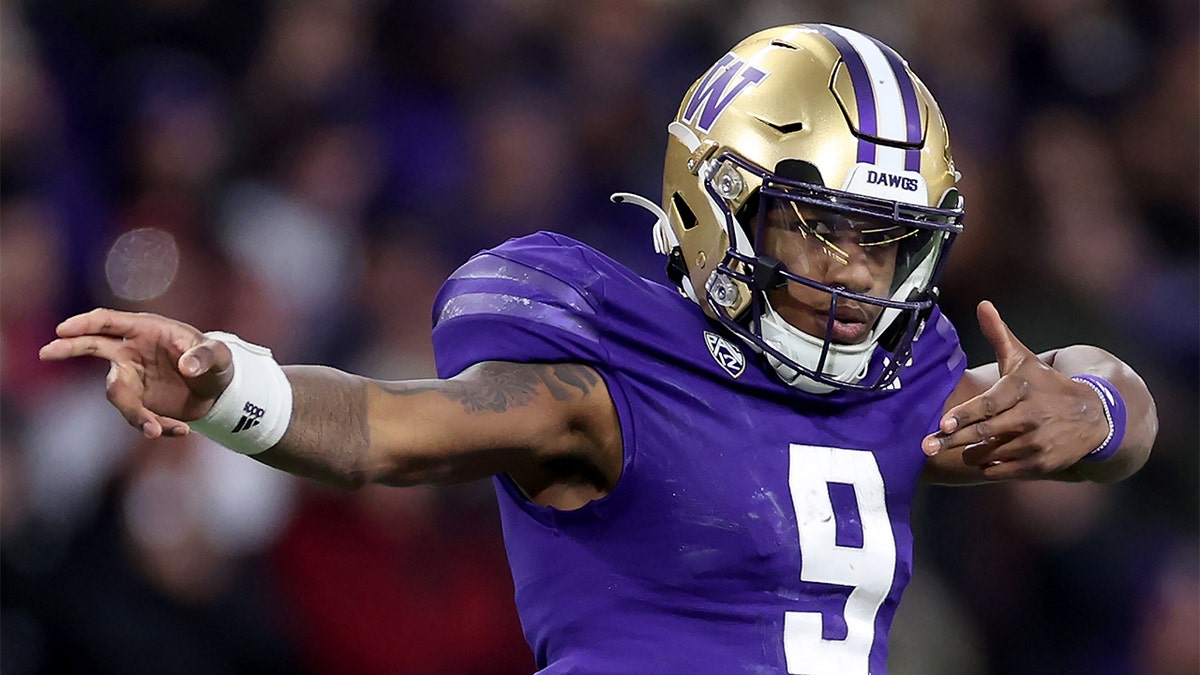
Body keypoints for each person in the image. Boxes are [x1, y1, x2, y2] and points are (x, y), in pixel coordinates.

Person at [39, 24, 1156, 674]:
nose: (854, 274)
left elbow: (1120, 415)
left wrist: (1098, 406)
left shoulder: (901, 393)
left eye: (885, 241)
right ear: (719, 206)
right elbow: (386, 429)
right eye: (817, 226)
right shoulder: (606, 387)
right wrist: (232, 383)